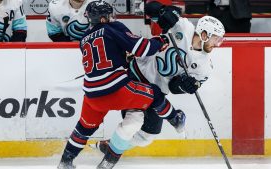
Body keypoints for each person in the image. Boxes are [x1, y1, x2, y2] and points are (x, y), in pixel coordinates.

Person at [91, 0, 226, 166]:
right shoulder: (182, 27)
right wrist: (163, 10)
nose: (217, 44)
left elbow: (173, 88)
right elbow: (147, 8)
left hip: (157, 92)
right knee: (133, 122)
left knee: (147, 136)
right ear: (204, 35)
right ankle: (109, 160)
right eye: (216, 39)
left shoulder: (205, 68)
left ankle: (110, 146)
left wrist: (183, 85)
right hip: (135, 74)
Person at [57, 1, 183, 169]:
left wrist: (123, 58)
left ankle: (65, 162)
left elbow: (105, 56)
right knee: (154, 94)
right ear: (102, 19)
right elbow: (142, 48)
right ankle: (175, 119)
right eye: (109, 16)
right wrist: (160, 41)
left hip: (91, 95)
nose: (112, 18)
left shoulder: (83, 40)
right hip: (117, 89)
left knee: (84, 128)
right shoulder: (111, 27)